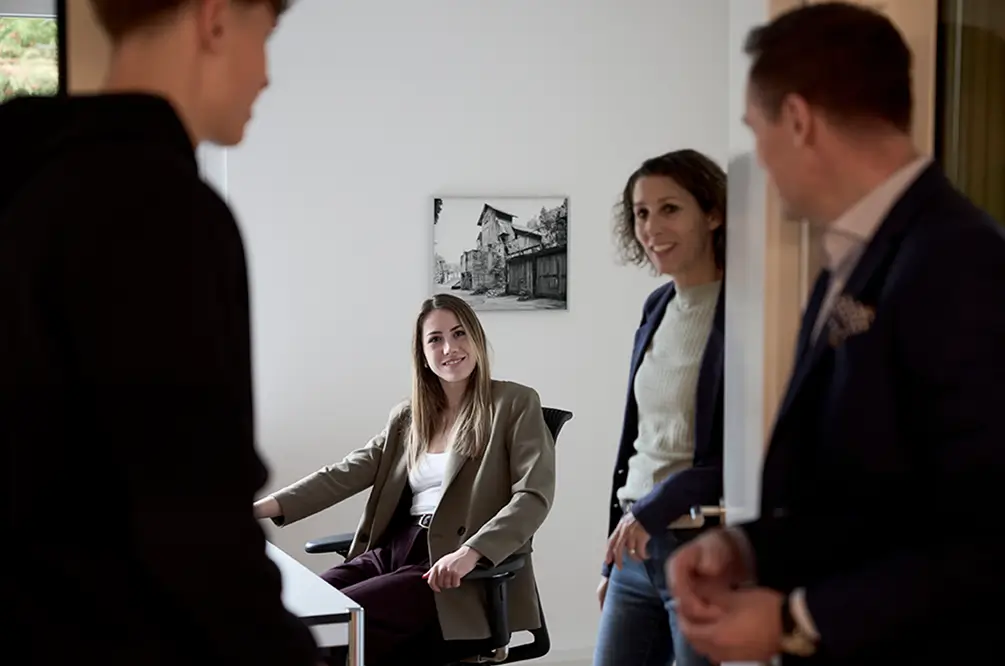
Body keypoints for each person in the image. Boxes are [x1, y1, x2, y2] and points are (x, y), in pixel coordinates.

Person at [668, 4, 1005, 665]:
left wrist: (795, 621)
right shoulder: (848, 263)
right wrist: (745, 547)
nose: (758, 158)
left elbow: (988, 536)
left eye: (755, 130)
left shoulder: (961, 261)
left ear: (798, 120)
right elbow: (863, 498)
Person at [0, 1, 320, 665]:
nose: (266, 75)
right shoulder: (161, 211)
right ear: (215, 19)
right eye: (267, 34)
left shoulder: (22, 179)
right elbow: (193, 522)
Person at [254, 293, 556, 666]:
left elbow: (532, 496)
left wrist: (471, 552)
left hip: (449, 568)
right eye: (435, 339)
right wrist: (254, 509)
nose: (450, 348)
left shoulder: (514, 403)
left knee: (334, 629)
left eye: (459, 333)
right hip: (394, 551)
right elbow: (346, 472)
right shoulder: (409, 416)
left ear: (476, 338)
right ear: (423, 354)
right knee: (295, 612)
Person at [593, 149, 725, 666]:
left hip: (699, 548)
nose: (650, 228)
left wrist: (655, 508)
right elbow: (639, 439)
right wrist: (611, 562)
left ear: (712, 213)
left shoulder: (745, 311)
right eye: (641, 213)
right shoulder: (658, 306)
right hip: (633, 549)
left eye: (669, 209)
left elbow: (747, 451)